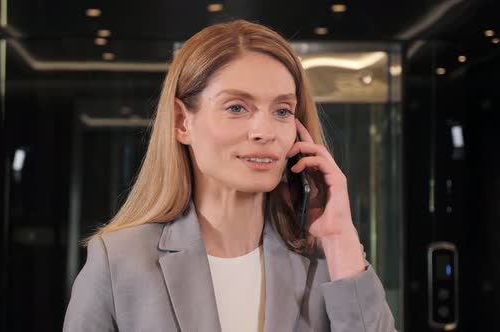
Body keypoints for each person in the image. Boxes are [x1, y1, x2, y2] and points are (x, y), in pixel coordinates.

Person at [63, 19, 398, 332]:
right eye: (237, 107)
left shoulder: (334, 264)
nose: (264, 131)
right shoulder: (119, 260)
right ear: (182, 122)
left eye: (282, 111)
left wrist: (340, 237)